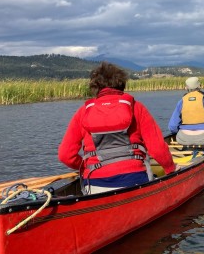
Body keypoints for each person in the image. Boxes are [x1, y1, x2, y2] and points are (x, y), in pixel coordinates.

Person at [58, 62, 177, 195]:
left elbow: (65, 155)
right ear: (122, 84)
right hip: (134, 180)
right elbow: (157, 148)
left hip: (95, 184)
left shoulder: (83, 112)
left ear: (95, 87)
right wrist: (171, 169)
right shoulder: (137, 108)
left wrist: (84, 167)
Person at [169, 77, 204, 145]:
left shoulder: (181, 102)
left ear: (186, 88)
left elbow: (172, 126)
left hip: (184, 139)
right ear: (200, 86)